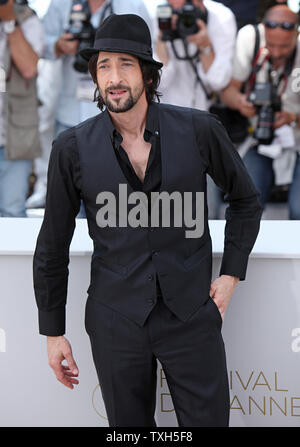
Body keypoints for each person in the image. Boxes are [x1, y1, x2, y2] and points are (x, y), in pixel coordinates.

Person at [33, 14, 262, 427]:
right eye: (103, 66)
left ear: (148, 75)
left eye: (125, 64)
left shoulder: (198, 130)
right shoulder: (71, 148)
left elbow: (245, 199)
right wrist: (53, 332)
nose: (114, 77)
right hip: (114, 318)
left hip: (191, 315)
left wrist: (231, 275)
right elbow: (52, 244)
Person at [27, 0, 152, 210]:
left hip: (119, 120)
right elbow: (41, 44)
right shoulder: (61, 4)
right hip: (69, 114)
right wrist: (59, 46)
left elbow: (149, 52)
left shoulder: (132, 5)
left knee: (113, 198)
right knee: (67, 198)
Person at [154, 0, 237, 219]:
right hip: (163, 123)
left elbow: (218, 82)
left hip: (203, 125)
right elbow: (158, 84)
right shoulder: (160, 15)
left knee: (205, 205)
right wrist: (163, 40)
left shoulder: (221, 17)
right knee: (164, 205)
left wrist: (205, 46)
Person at [221, 5, 300, 219]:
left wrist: (293, 117)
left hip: (297, 137)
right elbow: (226, 91)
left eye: (284, 47)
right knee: (245, 201)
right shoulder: (251, 38)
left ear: (296, 34)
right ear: (264, 30)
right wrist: (240, 103)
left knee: (298, 210)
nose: (276, 52)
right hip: (260, 138)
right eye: (271, 45)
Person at [0, 0, 44, 217]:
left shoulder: (27, 18)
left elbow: (29, 67)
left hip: (14, 134)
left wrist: (9, 20)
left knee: (12, 212)